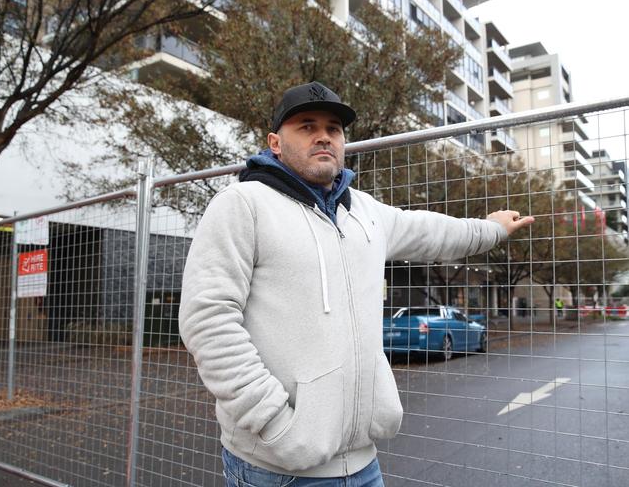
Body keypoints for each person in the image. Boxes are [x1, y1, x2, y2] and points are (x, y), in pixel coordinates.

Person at [178, 81, 534, 486]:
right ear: (275, 143)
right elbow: (207, 319)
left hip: (363, 464)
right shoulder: (242, 205)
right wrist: (274, 422)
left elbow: (432, 231)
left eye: (333, 128)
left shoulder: (363, 211)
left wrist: (491, 230)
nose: (323, 136)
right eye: (307, 126)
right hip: (276, 468)